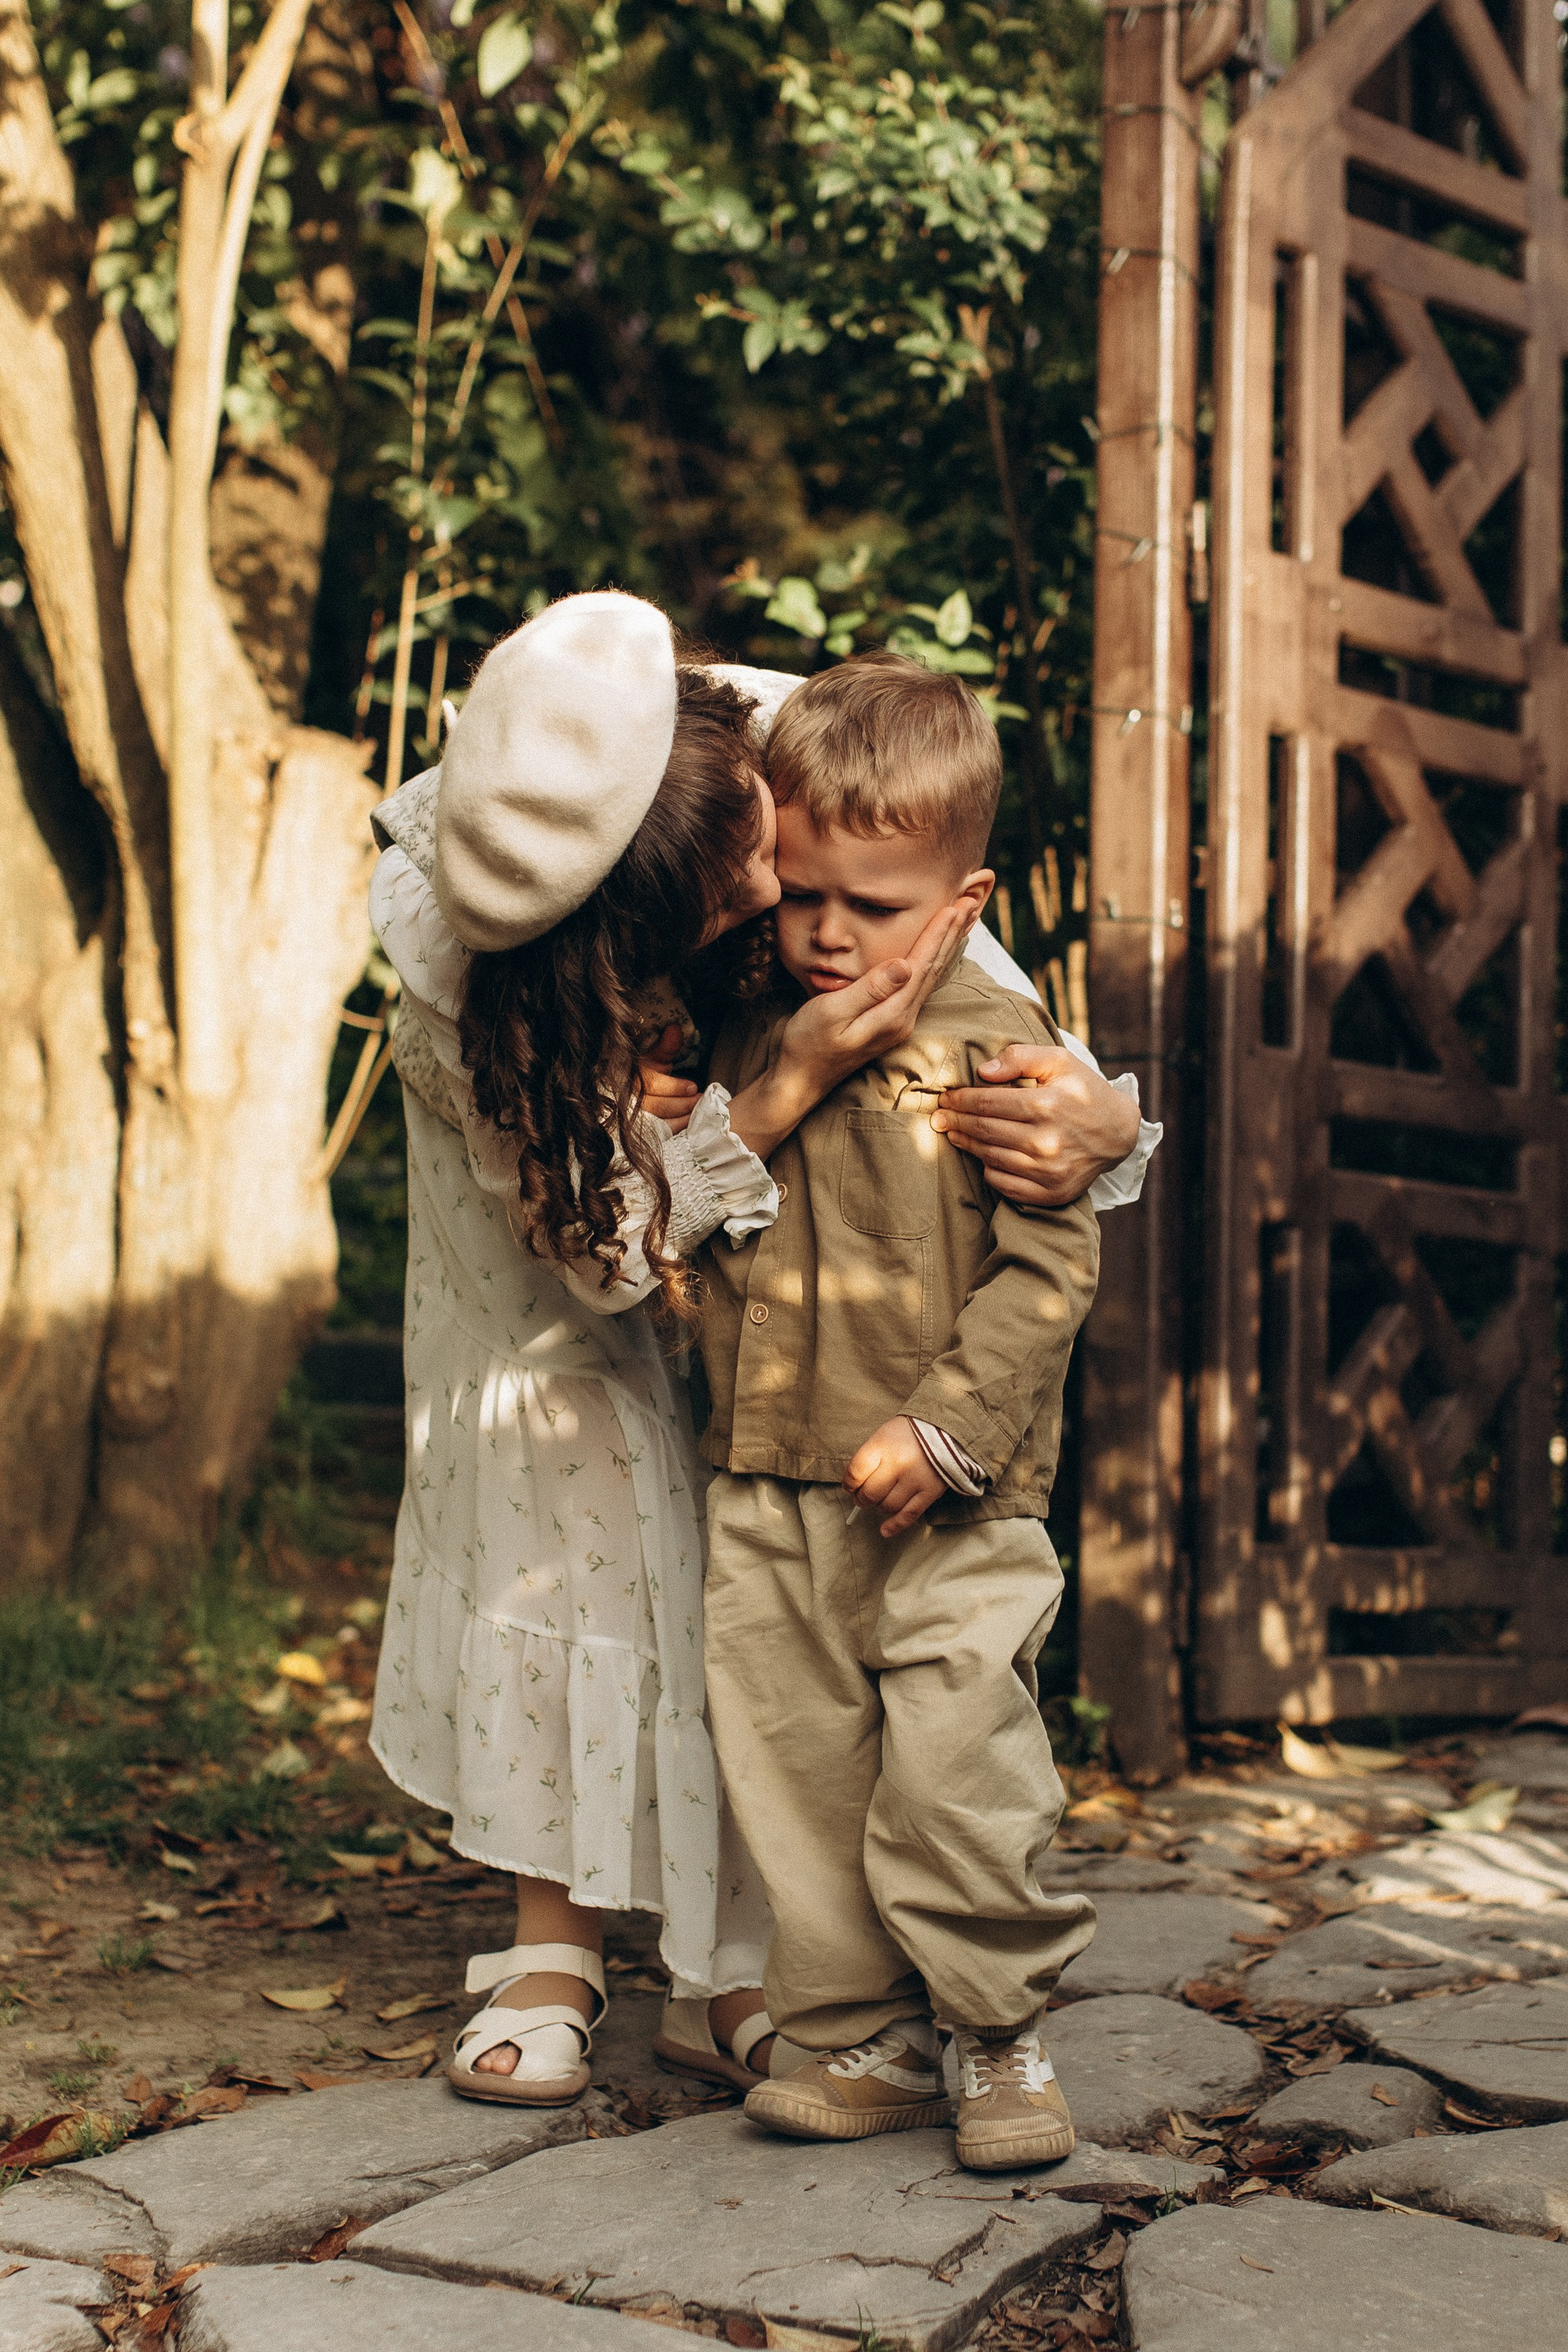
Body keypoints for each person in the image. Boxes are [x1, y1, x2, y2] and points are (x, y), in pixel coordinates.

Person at [364, 592, 1153, 2111]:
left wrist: (1102, 1116)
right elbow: (601, 1254)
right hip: (561, 1237)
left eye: (769, 860)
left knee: (751, 1611)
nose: (780, 906)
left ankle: (745, 1960)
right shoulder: (477, 967)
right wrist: (784, 1074)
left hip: (796, 1310)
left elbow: (970, 971)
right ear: (635, 933)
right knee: (575, 1489)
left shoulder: (759, 740)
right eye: (741, 899)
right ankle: (556, 1937)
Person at [697, 652, 1100, 2175]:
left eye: (869, 903)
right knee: (799, 1765)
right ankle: (856, 2030)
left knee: (959, 1757)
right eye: (801, 892)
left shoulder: (1003, 1049)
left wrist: (945, 1428)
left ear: (966, 895)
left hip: (957, 1495)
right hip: (768, 1477)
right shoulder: (750, 1025)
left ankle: (997, 2028)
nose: (823, 931)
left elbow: (1053, 1263)